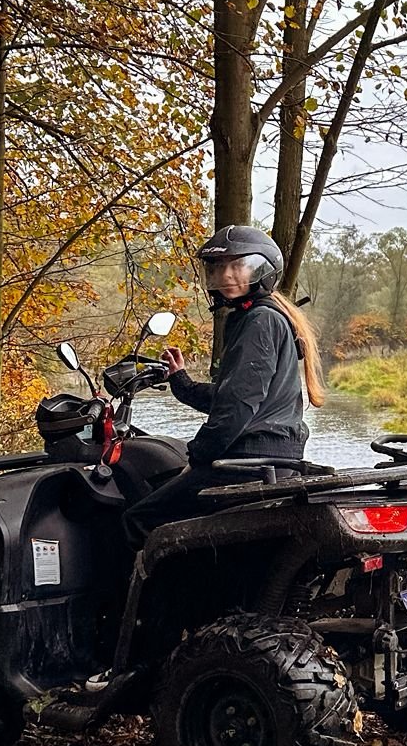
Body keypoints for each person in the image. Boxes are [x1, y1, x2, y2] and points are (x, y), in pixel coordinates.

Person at [128, 224, 327, 534]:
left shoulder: (260, 319)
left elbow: (237, 406)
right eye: (219, 267)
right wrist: (182, 382)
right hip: (268, 456)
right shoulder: (258, 317)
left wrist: (198, 455)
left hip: (249, 460)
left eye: (238, 265)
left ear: (263, 269)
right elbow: (234, 395)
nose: (227, 275)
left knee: (138, 519)